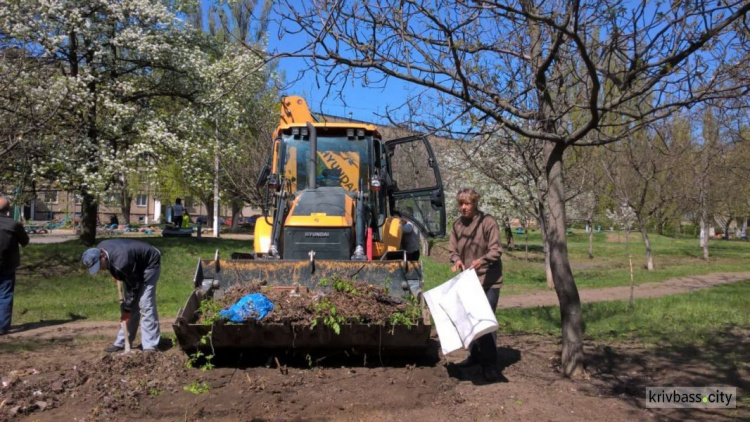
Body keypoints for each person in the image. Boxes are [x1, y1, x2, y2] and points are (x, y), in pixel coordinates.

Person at [448, 188, 504, 382]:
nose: (463, 208)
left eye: (467, 204)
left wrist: (482, 260)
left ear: (475, 203)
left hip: (489, 281)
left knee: (484, 322)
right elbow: (453, 250)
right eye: (460, 204)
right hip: (469, 282)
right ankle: (474, 356)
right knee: (471, 321)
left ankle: (490, 366)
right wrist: (456, 260)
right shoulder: (456, 226)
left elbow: (496, 250)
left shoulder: (487, 222)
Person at [82, 239, 161, 352]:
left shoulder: (122, 263)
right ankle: (123, 341)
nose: (100, 269)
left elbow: (135, 286)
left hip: (149, 263)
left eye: (99, 265)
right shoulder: (101, 248)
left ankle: (150, 345)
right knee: (130, 306)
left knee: (145, 304)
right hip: (131, 266)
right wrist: (115, 272)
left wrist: (127, 308)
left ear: (102, 255)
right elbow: (122, 270)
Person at [0, 197, 30, 335]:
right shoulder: (14, 225)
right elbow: (25, 241)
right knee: (5, 295)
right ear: (8, 209)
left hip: (7, 265)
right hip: (6, 264)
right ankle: (2, 327)